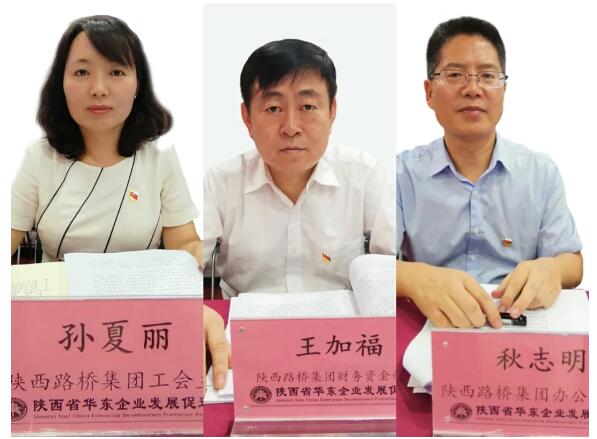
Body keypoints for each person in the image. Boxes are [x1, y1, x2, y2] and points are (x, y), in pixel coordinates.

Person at [396, 17, 583, 329]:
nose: (473, 89)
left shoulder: (540, 173)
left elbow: (573, 264)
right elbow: (372, 267)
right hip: (432, 325)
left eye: (487, 76)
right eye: (455, 75)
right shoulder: (401, 175)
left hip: (519, 324)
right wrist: (413, 276)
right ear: (429, 92)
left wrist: (552, 269)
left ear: (504, 89)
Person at [204, 39, 395, 298]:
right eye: (273, 108)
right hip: (244, 318)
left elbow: (393, 265)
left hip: (338, 321)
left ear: (332, 111)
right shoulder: (220, 183)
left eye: (307, 107)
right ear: (247, 117)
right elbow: (190, 264)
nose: (291, 127)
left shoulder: (363, 175)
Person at [10, 15, 202, 264]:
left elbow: (184, 242)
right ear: (61, 83)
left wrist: (202, 254)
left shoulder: (160, 158)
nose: (98, 89)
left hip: (139, 288)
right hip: (60, 288)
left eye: (116, 72)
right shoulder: (40, 157)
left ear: (138, 84)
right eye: (82, 72)